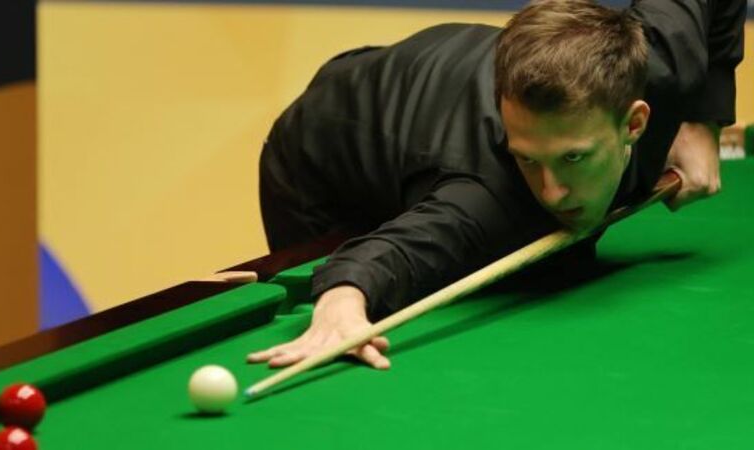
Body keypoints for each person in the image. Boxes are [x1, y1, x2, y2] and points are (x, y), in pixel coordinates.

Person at [248, 0, 745, 370]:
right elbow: (391, 254)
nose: (552, 191)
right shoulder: (486, 195)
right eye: (529, 158)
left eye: (573, 157)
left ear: (634, 123)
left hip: (417, 94)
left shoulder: (660, 62)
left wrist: (704, 120)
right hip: (323, 159)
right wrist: (341, 300)